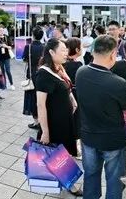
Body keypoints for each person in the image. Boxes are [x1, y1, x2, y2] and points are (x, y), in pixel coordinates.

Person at [75, 35, 126, 199]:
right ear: (113, 54)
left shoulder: (81, 72)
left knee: (90, 175)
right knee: (114, 180)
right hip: (112, 139)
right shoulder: (118, 83)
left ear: (93, 51)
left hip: (88, 135)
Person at [36, 38, 83, 196]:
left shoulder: (59, 68)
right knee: (59, 155)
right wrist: (45, 131)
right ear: (51, 52)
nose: (66, 53)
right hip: (54, 123)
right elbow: (40, 105)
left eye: (66, 50)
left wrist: (72, 100)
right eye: (62, 50)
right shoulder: (43, 74)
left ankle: (65, 181)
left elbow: (67, 88)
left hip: (65, 120)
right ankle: (70, 184)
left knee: (64, 154)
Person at [23, 27, 44, 129]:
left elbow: (25, 59)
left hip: (31, 73)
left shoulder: (28, 47)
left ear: (33, 35)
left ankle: (36, 122)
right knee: (41, 97)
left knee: (32, 97)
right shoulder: (44, 47)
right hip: (42, 73)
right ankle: (42, 121)